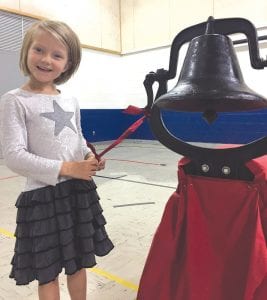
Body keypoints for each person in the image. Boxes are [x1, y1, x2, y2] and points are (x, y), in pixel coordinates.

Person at [0, 19, 114, 300]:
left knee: (78, 265)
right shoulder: (14, 100)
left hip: (77, 193)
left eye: (57, 55)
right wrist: (67, 168)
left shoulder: (70, 100)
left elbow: (77, 138)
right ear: (27, 50)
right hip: (42, 198)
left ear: (67, 63)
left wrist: (88, 156)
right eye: (39, 49)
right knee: (47, 273)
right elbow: (14, 156)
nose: (46, 59)